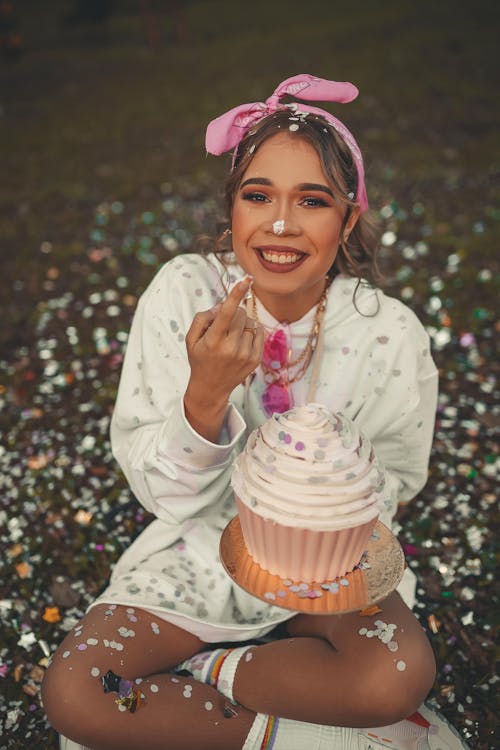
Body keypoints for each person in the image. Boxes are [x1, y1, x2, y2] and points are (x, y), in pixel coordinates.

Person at [42, 74, 463, 750]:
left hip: (328, 565)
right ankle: (304, 729)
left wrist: (313, 505)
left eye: (313, 201)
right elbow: (167, 498)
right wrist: (206, 395)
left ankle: (205, 675)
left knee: (393, 677)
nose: (279, 224)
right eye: (257, 195)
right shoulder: (184, 293)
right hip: (198, 552)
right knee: (80, 694)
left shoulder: (387, 330)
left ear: (349, 219)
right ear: (232, 208)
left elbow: (394, 482)